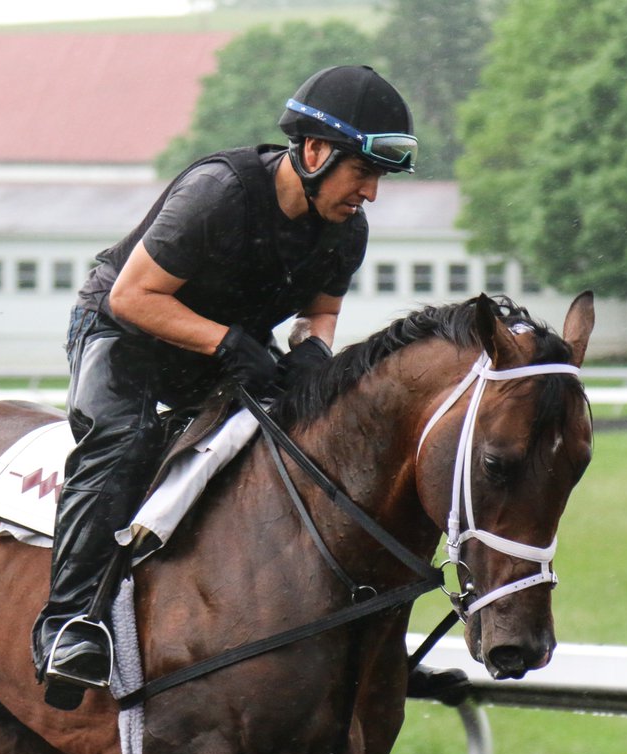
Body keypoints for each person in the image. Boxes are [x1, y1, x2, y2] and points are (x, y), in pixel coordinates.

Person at [34, 64, 418, 710]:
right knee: (124, 443)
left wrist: (313, 352)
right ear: (316, 152)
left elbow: (318, 312)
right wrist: (227, 343)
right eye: (364, 173)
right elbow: (134, 296)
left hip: (215, 343)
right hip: (122, 326)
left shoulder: (345, 229)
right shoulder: (220, 192)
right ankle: (69, 626)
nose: (371, 194)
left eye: (379, 179)